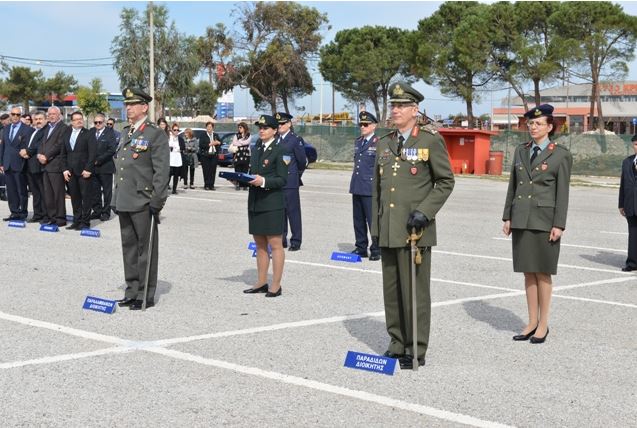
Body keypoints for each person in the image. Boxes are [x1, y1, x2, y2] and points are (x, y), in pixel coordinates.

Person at [372, 82, 455, 369]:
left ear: (414, 110)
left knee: (414, 293)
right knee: (392, 290)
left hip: (414, 231)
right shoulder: (384, 142)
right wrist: (375, 229)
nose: (395, 110)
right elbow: (378, 190)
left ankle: (415, 348)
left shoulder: (430, 140)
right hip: (389, 228)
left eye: (401, 106)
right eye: (393, 105)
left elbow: (445, 181)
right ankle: (396, 342)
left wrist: (425, 211)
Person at [502, 104, 572, 344]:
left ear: (550, 127)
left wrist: (559, 224)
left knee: (543, 272)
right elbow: (513, 185)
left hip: (545, 221)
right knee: (528, 272)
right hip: (521, 218)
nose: (533, 127)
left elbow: (562, 193)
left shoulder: (560, 154)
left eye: (538, 124)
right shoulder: (521, 151)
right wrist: (507, 216)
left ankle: (543, 324)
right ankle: (531, 321)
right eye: (531, 123)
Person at [112, 87, 169, 311]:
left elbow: (161, 172)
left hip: (143, 199)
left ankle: (145, 293)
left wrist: (157, 200)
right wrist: (115, 198)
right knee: (129, 247)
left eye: (132, 105)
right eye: (127, 105)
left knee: (145, 249)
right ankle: (131, 289)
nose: (128, 108)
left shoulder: (154, 134)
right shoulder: (126, 132)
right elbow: (121, 168)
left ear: (144, 107)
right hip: (125, 199)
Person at [243, 114, 289, 298]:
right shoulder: (256, 148)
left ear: (275, 130)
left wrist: (263, 181)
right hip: (255, 201)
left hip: (272, 203)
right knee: (259, 244)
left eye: (265, 128)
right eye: (260, 128)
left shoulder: (282, 149)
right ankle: (261, 282)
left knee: (275, 244)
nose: (261, 130)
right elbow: (252, 172)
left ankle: (275, 285)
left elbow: (282, 179)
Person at [350, 111, 380, 261]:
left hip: (370, 188)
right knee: (358, 220)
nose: (363, 127)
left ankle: (376, 248)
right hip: (357, 186)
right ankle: (361, 247)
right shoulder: (358, 141)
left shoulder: (378, 142)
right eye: (361, 124)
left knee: (372, 220)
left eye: (366, 124)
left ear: (373, 126)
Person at [276, 112, 307, 251]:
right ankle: (281, 238)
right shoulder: (275, 139)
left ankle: (296, 240)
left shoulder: (295, 139)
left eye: (282, 123)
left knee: (293, 212)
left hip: (290, 181)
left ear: (289, 124)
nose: (280, 126)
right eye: (278, 124)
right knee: (279, 211)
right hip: (277, 181)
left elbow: (301, 161)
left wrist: (295, 175)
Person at [61, 111, 97, 230]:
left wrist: (88, 169)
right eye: (76, 119)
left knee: (86, 197)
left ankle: (85, 222)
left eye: (80, 118)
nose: (79, 121)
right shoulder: (66, 134)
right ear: (71, 121)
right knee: (75, 197)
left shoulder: (89, 133)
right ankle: (77, 221)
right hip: (70, 172)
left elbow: (93, 154)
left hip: (84, 172)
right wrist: (64, 169)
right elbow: (63, 154)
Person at [38, 106, 69, 226]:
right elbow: (41, 143)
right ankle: (52, 217)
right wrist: (40, 154)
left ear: (59, 115)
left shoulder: (64, 128)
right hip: (45, 166)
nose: (51, 116)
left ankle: (60, 218)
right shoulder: (47, 128)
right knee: (48, 194)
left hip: (55, 165)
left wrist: (46, 156)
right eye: (49, 114)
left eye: (53, 114)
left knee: (58, 194)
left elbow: (59, 145)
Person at [0, 107, 34, 221]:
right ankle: (14, 212)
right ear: (10, 115)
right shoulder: (6, 128)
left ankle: (22, 213)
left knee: (21, 190)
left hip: (20, 163)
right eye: (13, 114)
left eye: (18, 115)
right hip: (7, 163)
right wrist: (1, 163)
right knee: (11, 190)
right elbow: (3, 146)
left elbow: (29, 147)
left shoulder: (27, 129)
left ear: (20, 116)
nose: (15, 116)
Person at [21, 111, 48, 223]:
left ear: (45, 119)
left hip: (38, 166)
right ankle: (37, 214)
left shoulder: (45, 131)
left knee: (43, 192)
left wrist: (27, 151)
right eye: (36, 119)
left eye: (40, 119)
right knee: (35, 192)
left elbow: (39, 145)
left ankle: (45, 215)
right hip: (29, 166)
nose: (38, 121)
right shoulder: (34, 131)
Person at [90, 113, 118, 221]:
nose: (97, 124)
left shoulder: (110, 133)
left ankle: (106, 212)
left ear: (104, 122)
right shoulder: (91, 132)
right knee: (95, 191)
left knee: (106, 192)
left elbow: (111, 150)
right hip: (93, 167)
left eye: (100, 122)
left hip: (105, 166)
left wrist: (99, 160)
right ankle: (97, 211)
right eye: (95, 122)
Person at [618, 134, 637, 272]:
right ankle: (632, 263)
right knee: (633, 234)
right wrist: (621, 204)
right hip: (630, 204)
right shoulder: (627, 162)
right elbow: (623, 184)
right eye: (636, 144)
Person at [229, 121, 251, 190]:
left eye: (241, 127)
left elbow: (247, 142)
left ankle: (244, 185)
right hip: (238, 155)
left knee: (245, 170)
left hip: (246, 155)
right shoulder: (236, 135)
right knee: (238, 170)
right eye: (238, 127)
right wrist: (242, 142)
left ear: (244, 128)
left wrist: (240, 142)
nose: (239, 129)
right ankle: (238, 184)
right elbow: (234, 143)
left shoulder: (249, 135)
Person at [199, 121, 220, 190]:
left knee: (213, 170)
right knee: (206, 170)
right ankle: (207, 184)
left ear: (213, 128)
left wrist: (217, 142)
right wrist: (210, 144)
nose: (209, 128)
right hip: (205, 155)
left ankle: (212, 185)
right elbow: (201, 145)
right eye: (208, 127)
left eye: (210, 127)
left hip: (214, 155)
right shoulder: (203, 135)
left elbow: (220, 142)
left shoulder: (215, 135)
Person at [168, 123, 184, 195]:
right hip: (170, 158)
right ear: (172, 130)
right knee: (168, 174)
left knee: (176, 175)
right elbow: (168, 146)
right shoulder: (169, 138)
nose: (176, 131)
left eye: (178, 130)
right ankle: (165, 188)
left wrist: (178, 148)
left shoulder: (180, 138)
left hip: (177, 158)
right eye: (175, 130)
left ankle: (174, 189)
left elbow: (183, 147)